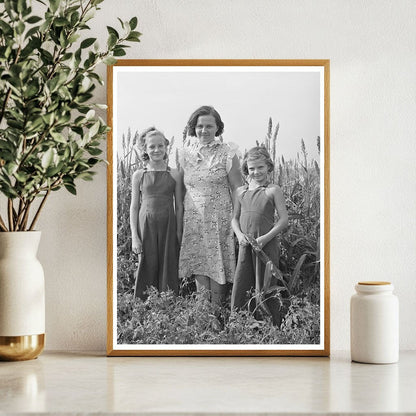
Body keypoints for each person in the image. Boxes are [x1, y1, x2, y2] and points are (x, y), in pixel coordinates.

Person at [178, 106, 242, 305]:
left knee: (218, 264)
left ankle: (217, 313)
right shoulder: (184, 153)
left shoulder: (227, 152)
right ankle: (203, 315)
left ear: (217, 128)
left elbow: (237, 188)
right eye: (199, 126)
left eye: (208, 126)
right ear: (193, 128)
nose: (203, 130)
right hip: (194, 219)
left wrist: (236, 219)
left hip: (220, 219)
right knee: (200, 263)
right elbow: (180, 190)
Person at [231, 146, 289, 325]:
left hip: (266, 244)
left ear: (269, 167)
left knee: (266, 280)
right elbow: (234, 219)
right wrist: (239, 235)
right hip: (246, 245)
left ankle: (271, 322)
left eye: (260, 167)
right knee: (243, 279)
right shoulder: (241, 192)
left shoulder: (273, 190)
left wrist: (265, 238)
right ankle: (242, 321)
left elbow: (284, 220)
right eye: (251, 168)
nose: (256, 172)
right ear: (246, 170)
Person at [130, 127, 184, 300]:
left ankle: (168, 303)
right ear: (145, 150)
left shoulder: (174, 174)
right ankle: (145, 304)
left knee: (168, 263)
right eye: (152, 147)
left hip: (168, 224)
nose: (157, 150)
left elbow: (180, 206)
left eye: (160, 146)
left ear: (166, 147)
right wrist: (134, 237)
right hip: (146, 226)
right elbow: (134, 207)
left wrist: (179, 232)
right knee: (147, 262)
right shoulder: (139, 175)